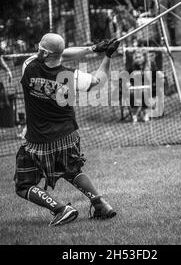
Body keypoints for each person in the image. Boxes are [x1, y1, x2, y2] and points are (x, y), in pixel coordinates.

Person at [14, 33, 119, 226]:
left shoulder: (28, 66)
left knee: (24, 185)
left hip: (39, 140)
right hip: (67, 136)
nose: (37, 50)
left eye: (40, 48)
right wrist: (106, 55)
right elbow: (100, 80)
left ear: (44, 52)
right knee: (72, 171)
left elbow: (58, 54)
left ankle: (61, 209)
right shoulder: (72, 77)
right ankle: (101, 205)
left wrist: (92, 49)